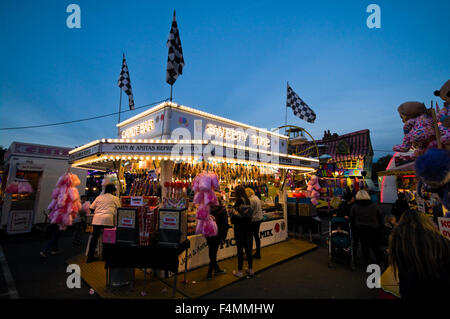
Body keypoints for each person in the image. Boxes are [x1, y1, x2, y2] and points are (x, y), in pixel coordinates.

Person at [389, 209, 450, 299]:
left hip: (411, 289)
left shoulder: (399, 240)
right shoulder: (441, 240)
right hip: (440, 287)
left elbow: (401, 268)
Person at [350, 190, 384, 268]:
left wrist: (353, 227)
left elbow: (352, 218)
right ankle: (380, 260)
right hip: (373, 227)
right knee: (375, 245)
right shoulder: (374, 206)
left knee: (364, 244)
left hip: (360, 228)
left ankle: (367, 260)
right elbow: (379, 217)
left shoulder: (355, 206)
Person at [87, 184, 121, 263]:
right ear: (113, 191)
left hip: (97, 220)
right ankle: (106, 257)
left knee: (94, 239)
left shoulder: (99, 197)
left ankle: (90, 257)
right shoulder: (115, 198)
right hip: (108, 220)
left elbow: (91, 207)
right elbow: (119, 208)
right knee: (108, 239)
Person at [231, 185, 254, 278]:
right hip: (248, 226)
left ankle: (240, 271)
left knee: (240, 249)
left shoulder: (239, 200)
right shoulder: (247, 200)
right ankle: (250, 269)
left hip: (240, 227)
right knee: (248, 248)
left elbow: (235, 214)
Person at [206, 194, 230, 280]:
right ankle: (209, 273)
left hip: (209, 234)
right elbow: (225, 224)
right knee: (213, 253)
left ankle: (216, 269)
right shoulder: (222, 209)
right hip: (217, 234)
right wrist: (224, 237)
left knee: (211, 252)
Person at [246, 187, 263, 259]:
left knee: (250, 237)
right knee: (256, 236)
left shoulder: (251, 200)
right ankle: (258, 252)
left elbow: (249, 211)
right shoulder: (256, 198)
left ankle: (250, 254)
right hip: (259, 219)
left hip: (254, 220)